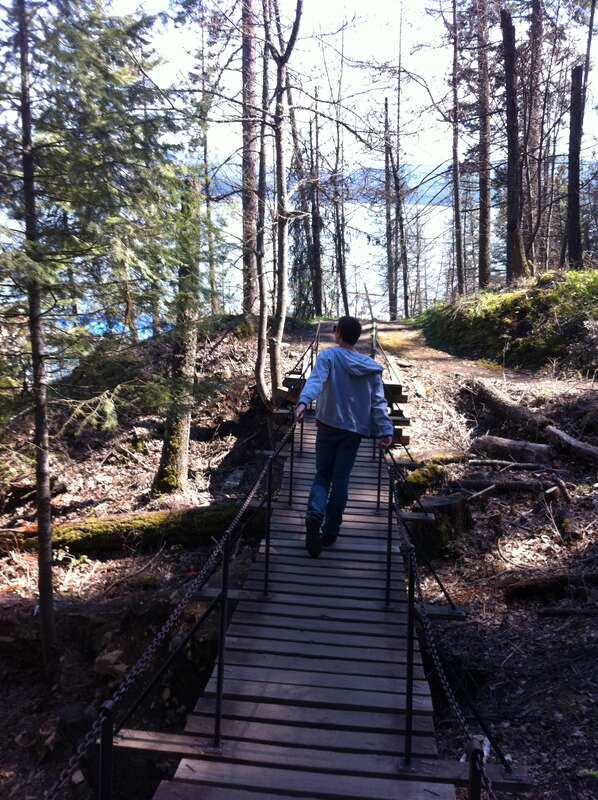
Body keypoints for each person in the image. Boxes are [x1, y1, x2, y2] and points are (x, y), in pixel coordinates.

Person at [294, 316, 394, 558]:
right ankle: (330, 531)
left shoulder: (328, 357)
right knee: (341, 480)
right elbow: (378, 402)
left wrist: (303, 402)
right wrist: (386, 429)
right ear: (357, 337)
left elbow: (316, 381)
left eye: (335, 329)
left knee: (322, 476)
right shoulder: (370, 367)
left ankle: (314, 515)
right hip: (353, 432)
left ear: (338, 333)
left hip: (327, 426)